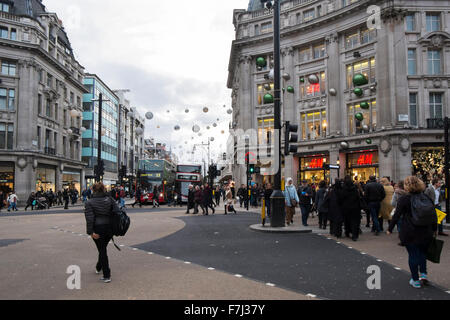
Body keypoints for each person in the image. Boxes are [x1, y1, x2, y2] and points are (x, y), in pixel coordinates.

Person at [387, 176, 438, 289]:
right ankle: (423, 275)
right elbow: (433, 215)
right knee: (423, 254)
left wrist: (390, 228)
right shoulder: (426, 197)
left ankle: (415, 280)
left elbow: (396, 215)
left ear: (407, 186)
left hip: (410, 231)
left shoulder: (404, 199)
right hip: (426, 231)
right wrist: (434, 229)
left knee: (413, 255)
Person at [84, 182, 120, 283]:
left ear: (93, 190)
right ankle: (98, 266)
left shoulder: (89, 202)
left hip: (97, 228)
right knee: (102, 248)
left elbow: (90, 218)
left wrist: (90, 232)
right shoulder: (110, 199)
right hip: (109, 228)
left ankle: (107, 274)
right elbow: (117, 212)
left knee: (102, 250)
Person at [338, 176, 362, 241]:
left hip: (346, 208)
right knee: (355, 221)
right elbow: (358, 198)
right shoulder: (355, 189)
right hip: (355, 207)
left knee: (347, 221)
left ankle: (347, 232)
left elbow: (341, 199)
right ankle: (355, 235)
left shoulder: (343, 190)